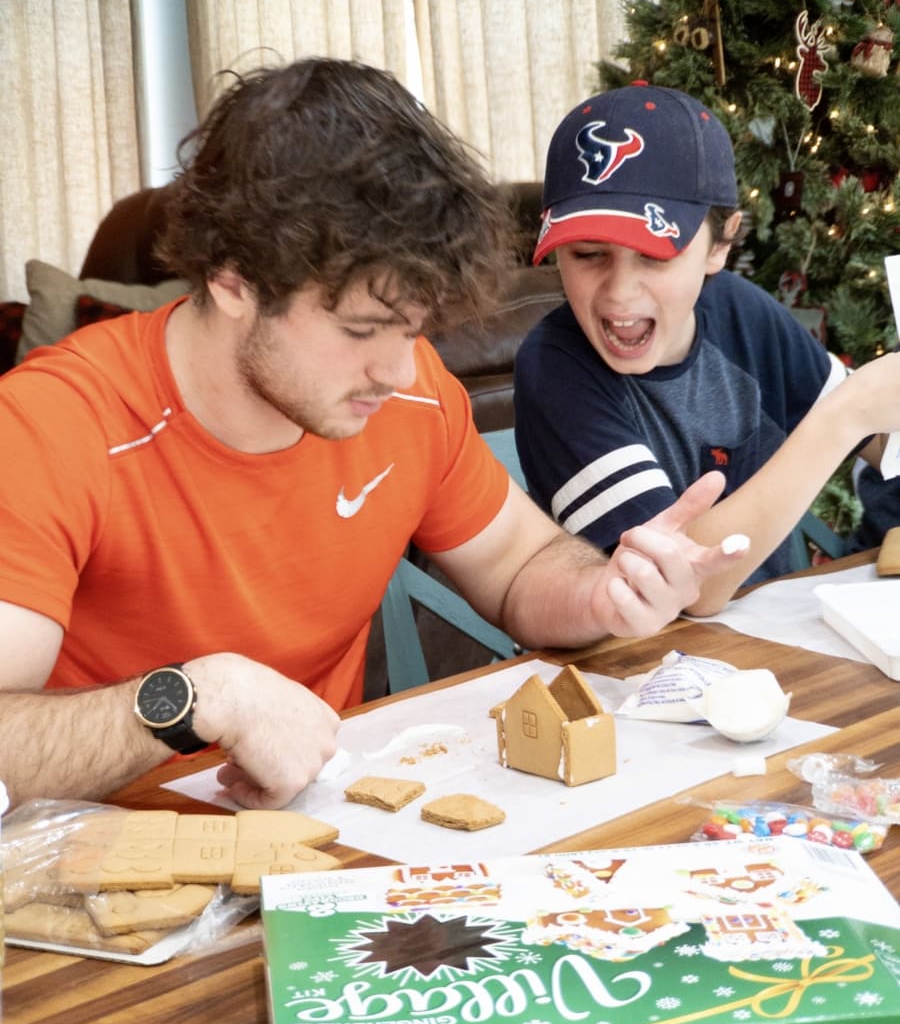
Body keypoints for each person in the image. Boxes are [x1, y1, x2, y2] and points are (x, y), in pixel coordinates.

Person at [0, 59, 746, 813]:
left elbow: (519, 568)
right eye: (361, 329)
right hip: (83, 883)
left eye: (415, 327)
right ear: (232, 279)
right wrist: (195, 697)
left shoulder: (410, 388)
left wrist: (605, 595)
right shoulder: (51, 428)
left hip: (331, 845)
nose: (397, 370)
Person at [514, 82, 900, 612]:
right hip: (627, 671)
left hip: (776, 645)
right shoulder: (554, 368)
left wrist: (871, 418)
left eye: (655, 256)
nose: (620, 292)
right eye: (587, 254)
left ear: (720, 244)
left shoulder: (741, 309)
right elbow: (684, 587)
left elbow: (883, 440)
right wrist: (845, 416)